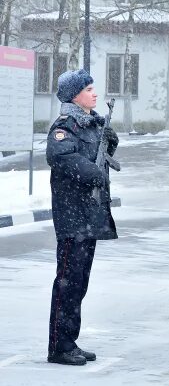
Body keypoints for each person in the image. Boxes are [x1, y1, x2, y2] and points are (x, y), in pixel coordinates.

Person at [46, 69, 119, 366]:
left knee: (80, 283)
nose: (95, 93)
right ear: (75, 95)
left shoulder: (90, 124)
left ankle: (70, 340)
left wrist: (109, 142)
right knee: (67, 281)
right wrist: (94, 174)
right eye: (89, 89)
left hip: (88, 215)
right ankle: (58, 347)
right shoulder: (65, 126)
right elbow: (61, 157)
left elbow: (99, 153)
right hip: (71, 215)